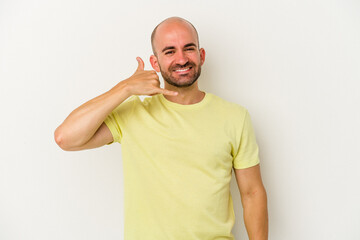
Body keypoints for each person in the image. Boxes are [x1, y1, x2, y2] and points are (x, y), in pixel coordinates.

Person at [54, 16, 268, 240]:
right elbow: (65, 137)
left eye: (189, 48)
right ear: (155, 63)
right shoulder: (133, 113)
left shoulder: (234, 117)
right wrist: (125, 88)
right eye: (169, 51)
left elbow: (252, 193)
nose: (182, 58)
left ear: (201, 55)